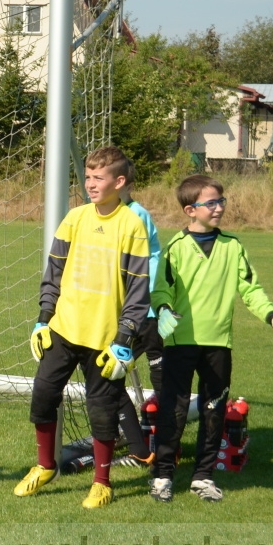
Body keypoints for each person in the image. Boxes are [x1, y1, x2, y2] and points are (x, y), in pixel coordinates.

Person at [15, 146, 151, 508]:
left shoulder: (132, 225)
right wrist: (43, 318)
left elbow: (139, 288)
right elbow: (54, 272)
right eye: (87, 176)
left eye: (98, 177)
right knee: (43, 395)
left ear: (119, 182)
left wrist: (125, 338)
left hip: (106, 339)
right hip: (64, 329)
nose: (90, 183)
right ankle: (45, 466)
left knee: (102, 411)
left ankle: (102, 483)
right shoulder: (74, 218)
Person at [148, 174, 273, 503]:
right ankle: (163, 475)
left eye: (221, 200)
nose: (219, 207)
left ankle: (203, 476)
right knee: (174, 410)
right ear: (190, 210)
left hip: (218, 345)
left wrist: (271, 315)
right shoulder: (176, 249)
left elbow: (250, 288)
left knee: (214, 410)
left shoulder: (233, 246)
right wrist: (165, 308)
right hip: (181, 343)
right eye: (211, 202)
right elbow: (160, 290)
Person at [112, 164, 166, 469]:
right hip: (141, 309)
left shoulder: (134, 214)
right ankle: (149, 445)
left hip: (142, 311)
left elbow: (133, 263)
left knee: (109, 375)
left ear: (121, 183)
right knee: (114, 374)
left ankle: (143, 448)